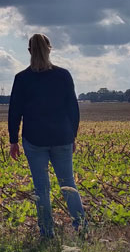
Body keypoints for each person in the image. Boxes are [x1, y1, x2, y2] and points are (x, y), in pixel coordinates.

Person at [8, 33, 86, 238]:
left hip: (34, 139)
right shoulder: (63, 75)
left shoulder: (21, 79)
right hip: (62, 137)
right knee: (68, 183)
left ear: (29, 51)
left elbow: (15, 111)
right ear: (50, 49)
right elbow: (73, 109)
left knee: (41, 188)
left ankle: (47, 233)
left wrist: (13, 140)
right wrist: (73, 136)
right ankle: (82, 228)